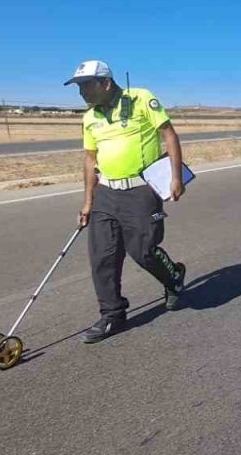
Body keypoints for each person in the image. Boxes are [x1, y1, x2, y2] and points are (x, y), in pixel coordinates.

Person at [65, 59, 189, 344]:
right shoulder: (90, 117)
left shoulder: (141, 98)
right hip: (106, 192)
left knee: (143, 251)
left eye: (87, 86)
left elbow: (168, 135)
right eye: (79, 87)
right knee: (102, 256)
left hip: (141, 191)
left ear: (106, 83)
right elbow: (90, 159)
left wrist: (176, 177)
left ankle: (173, 277)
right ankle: (112, 315)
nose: (82, 93)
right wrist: (87, 201)